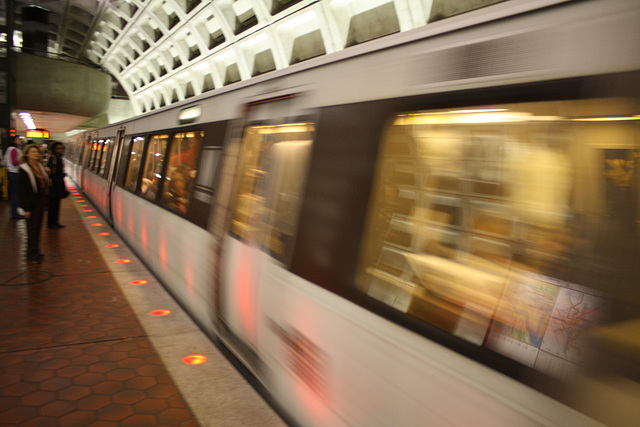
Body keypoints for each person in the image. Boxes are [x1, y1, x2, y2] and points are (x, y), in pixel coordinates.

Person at [18, 143, 49, 264]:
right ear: (26, 154)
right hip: (31, 204)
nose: (35, 154)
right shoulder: (24, 170)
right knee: (32, 229)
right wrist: (25, 208)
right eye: (32, 152)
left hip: (39, 202)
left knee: (37, 228)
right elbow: (22, 191)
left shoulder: (39, 167)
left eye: (37, 152)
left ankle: (35, 250)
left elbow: (43, 182)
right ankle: (31, 253)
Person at [47, 142, 68, 229]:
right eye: (58, 148)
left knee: (56, 205)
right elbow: (52, 173)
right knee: (53, 206)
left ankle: (55, 222)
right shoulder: (54, 159)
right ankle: (51, 223)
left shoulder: (58, 158)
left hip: (57, 186)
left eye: (62, 148)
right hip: (54, 187)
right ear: (54, 150)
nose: (61, 150)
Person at [4, 136, 25, 218]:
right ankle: (14, 213)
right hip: (15, 172)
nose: (21, 141)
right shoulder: (13, 149)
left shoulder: (11, 149)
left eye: (21, 139)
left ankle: (15, 210)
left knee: (14, 193)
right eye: (19, 139)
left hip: (12, 172)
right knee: (15, 194)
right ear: (14, 141)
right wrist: (24, 160)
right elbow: (15, 162)